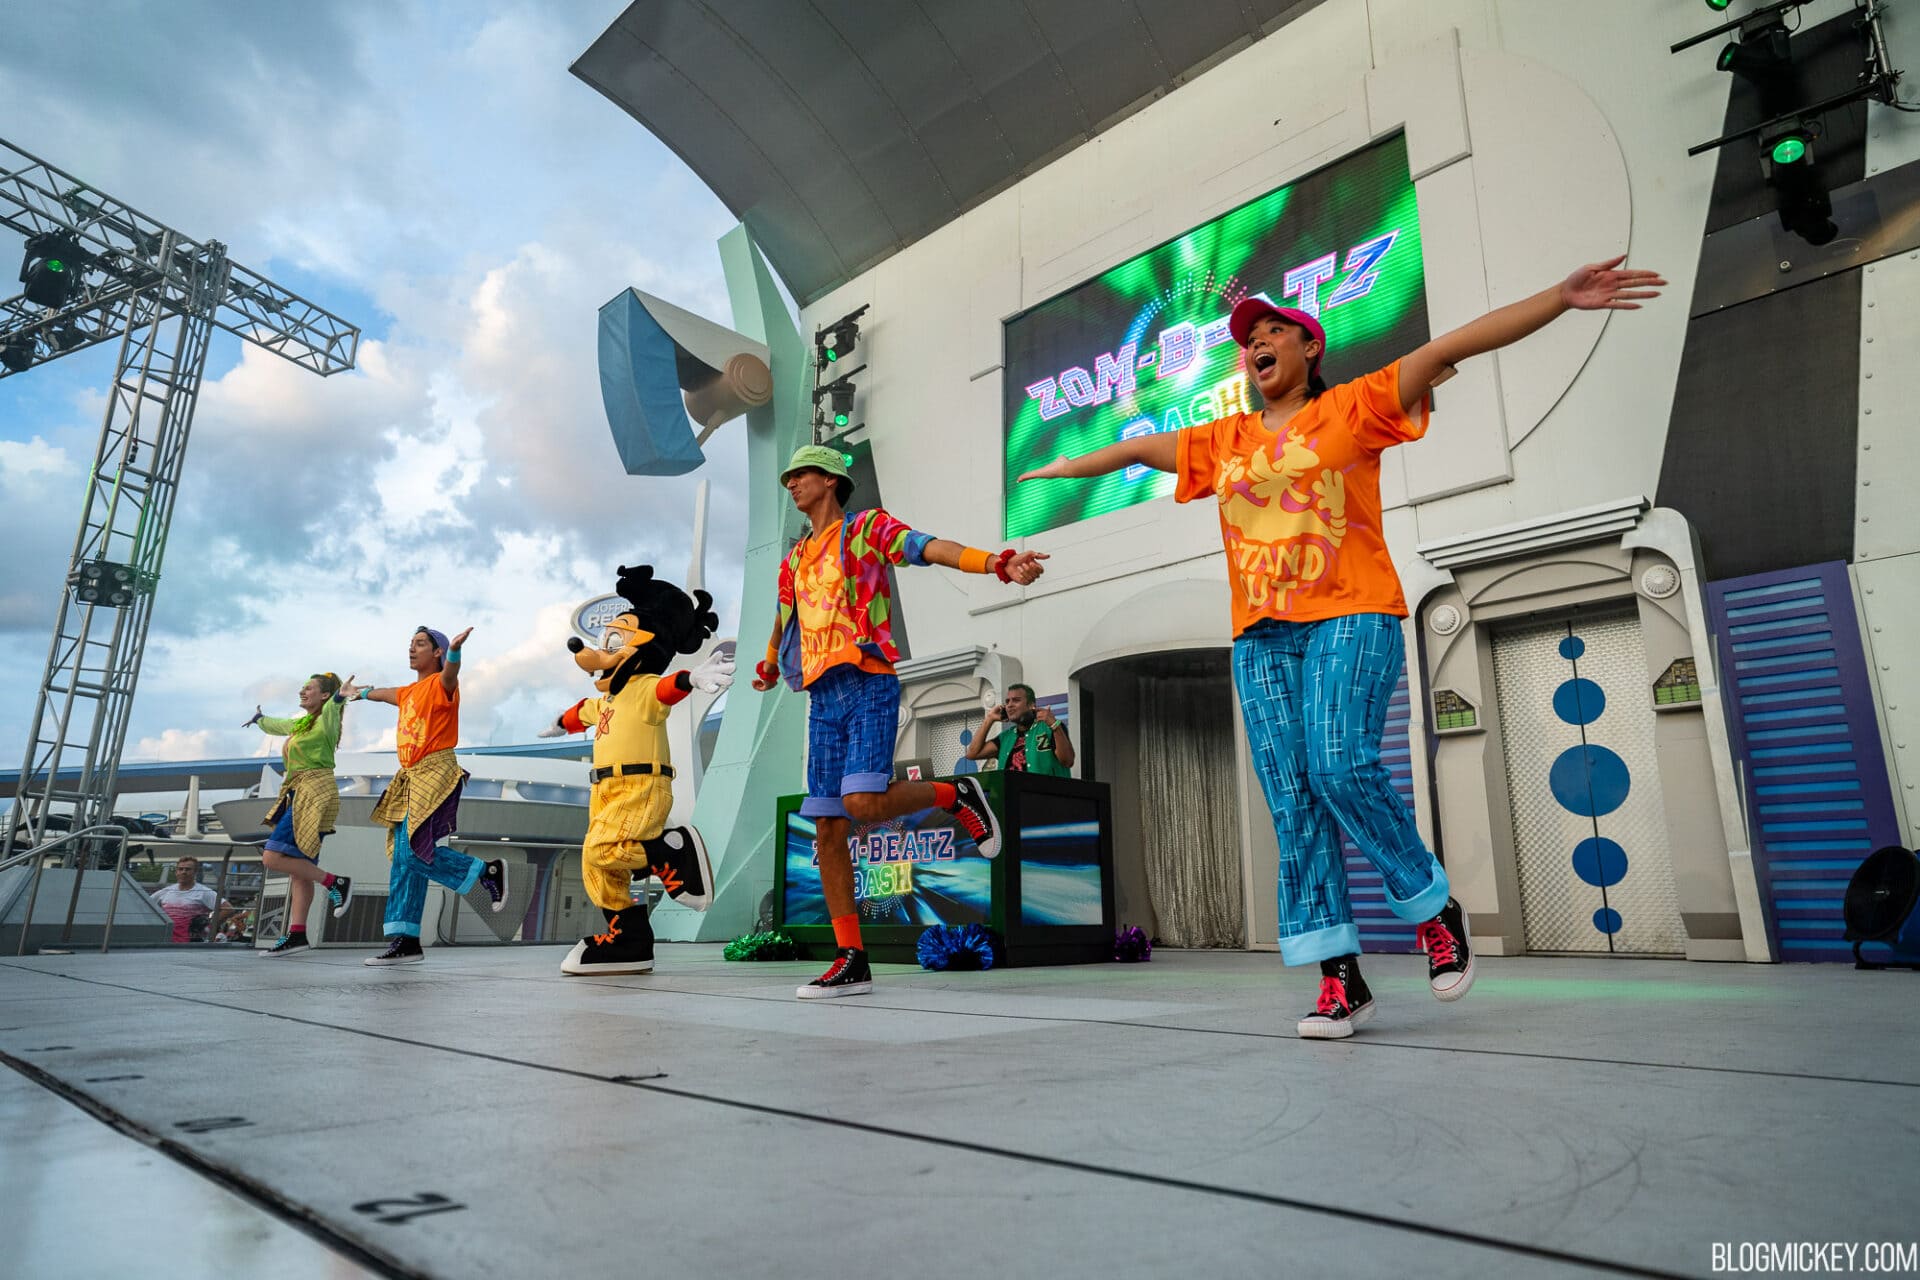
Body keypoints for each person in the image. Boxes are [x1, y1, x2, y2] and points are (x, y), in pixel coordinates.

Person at [1021, 256, 1664, 1038]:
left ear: (1308, 347)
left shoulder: (1354, 410)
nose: (1255, 343)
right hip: (1261, 637)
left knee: (1338, 763)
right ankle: (1339, 978)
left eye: (1271, 331)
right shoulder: (1221, 441)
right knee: (1293, 799)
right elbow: (1130, 453)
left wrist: (1562, 298)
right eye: (1246, 338)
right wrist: (1062, 467)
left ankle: (1433, 907)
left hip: (1350, 612)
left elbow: (1451, 344)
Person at [752, 445, 1047, 998]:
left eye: (802, 474)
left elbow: (926, 547)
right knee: (828, 825)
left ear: (832, 480)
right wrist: (771, 662)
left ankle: (953, 794)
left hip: (868, 681)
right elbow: (784, 613)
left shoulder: (864, 528)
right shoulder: (794, 558)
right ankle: (852, 956)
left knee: (861, 803)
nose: (791, 483)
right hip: (821, 694)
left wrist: (994, 562)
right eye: (789, 476)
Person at [536, 563, 733, 975]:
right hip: (603, 791)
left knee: (602, 850)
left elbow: (667, 688)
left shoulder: (643, 688)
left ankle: (670, 850)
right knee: (595, 864)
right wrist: (559, 723)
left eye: (613, 642)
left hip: (641, 785)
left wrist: (692, 678)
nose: (599, 652)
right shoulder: (608, 699)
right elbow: (581, 712)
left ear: (643, 646)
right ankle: (628, 938)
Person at [341, 626, 507, 966]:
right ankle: (407, 940)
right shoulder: (407, 692)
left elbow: (452, 673)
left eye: (420, 644)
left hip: (435, 770)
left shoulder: (443, 684)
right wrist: (355, 693)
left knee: (412, 852)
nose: (411, 649)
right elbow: (381, 692)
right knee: (403, 858)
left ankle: (485, 871)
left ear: (437, 652)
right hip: (410, 777)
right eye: (410, 644)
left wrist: (457, 652)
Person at [245, 672, 355, 956]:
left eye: (310, 689)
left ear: (324, 696)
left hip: (313, 790)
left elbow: (334, 707)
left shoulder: (327, 719)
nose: (302, 692)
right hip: (301, 790)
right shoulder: (303, 724)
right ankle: (297, 935)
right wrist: (260, 720)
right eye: (302, 688)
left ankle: (336, 882)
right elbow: (280, 725)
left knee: (272, 857)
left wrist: (340, 697)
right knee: (300, 870)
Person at [965, 682, 1074, 776]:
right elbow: (972, 754)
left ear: (1031, 705)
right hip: (1011, 798)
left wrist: (1054, 725)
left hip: (1044, 798)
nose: (1009, 705)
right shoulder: (1005, 737)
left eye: (1016, 700)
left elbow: (1067, 761)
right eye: (1007, 702)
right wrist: (989, 719)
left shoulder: (1049, 728)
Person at [149, 856, 236, 944]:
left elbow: (228, 909)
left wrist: (208, 926)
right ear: (176, 872)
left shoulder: (203, 891)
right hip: (166, 941)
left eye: (188, 869)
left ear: (195, 872)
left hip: (191, 944)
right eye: (180, 869)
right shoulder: (165, 891)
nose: (183, 872)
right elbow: (145, 905)